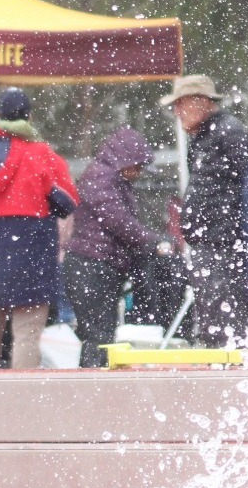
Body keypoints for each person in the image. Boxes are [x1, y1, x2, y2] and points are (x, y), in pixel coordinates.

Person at [0, 88, 77, 369]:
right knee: (27, 336)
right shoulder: (41, 153)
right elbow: (67, 201)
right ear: (29, 116)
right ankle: (23, 398)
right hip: (31, 256)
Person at [64, 127, 171, 368]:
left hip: (94, 266)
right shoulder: (102, 180)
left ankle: (97, 383)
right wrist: (154, 241)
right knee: (99, 336)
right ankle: (95, 386)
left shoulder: (110, 179)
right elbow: (120, 222)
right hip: (91, 267)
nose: (139, 173)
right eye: (138, 167)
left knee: (101, 334)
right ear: (125, 159)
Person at [161, 75, 248, 348]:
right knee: (212, 316)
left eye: (181, 105)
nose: (177, 113)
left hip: (222, 243)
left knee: (225, 318)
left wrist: (230, 230)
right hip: (209, 241)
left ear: (201, 103)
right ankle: (221, 363)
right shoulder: (204, 137)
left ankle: (230, 368)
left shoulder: (228, 133)